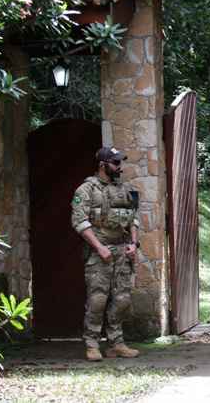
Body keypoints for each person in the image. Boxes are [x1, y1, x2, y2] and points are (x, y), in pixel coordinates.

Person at [71, 146, 141, 361]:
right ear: (103, 165)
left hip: (122, 251)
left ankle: (116, 344)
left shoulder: (125, 189)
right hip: (99, 253)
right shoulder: (86, 190)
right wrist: (99, 248)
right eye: (116, 163)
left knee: (122, 300)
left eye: (120, 163)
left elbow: (133, 218)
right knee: (98, 300)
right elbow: (79, 222)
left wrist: (134, 244)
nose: (120, 167)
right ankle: (92, 344)